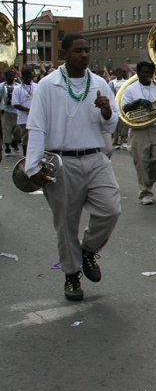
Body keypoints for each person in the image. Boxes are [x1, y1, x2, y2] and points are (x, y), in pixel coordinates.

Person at [25, 33, 121, 301]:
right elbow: (36, 127)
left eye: (87, 50)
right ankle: (71, 275)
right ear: (64, 54)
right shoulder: (48, 85)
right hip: (61, 161)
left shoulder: (99, 82)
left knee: (110, 209)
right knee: (66, 224)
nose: (84, 55)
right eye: (78, 51)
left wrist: (106, 112)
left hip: (94, 156)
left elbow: (112, 125)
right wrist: (33, 168)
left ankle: (88, 250)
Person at [121, 61, 156, 205]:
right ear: (138, 73)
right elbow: (125, 109)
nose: (149, 75)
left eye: (151, 72)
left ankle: (147, 182)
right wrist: (138, 102)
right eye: (145, 72)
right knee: (142, 161)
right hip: (139, 129)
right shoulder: (131, 89)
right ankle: (145, 192)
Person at [12, 69, 37, 156]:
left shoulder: (36, 86)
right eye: (27, 78)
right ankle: (25, 154)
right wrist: (29, 110)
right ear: (22, 78)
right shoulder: (17, 89)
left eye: (30, 78)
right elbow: (15, 104)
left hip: (35, 116)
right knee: (25, 136)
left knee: (34, 136)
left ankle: (34, 153)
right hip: (24, 117)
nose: (29, 80)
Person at [0, 70, 21, 155]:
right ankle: (7, 147)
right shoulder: (2, 86)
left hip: (16, 111)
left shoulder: (18, 86)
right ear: (6, 76)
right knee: (6, 129)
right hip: (6, 111)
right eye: (10, 76)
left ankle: (14, 142)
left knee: (18, 129)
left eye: (13, 76)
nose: (11, 78)